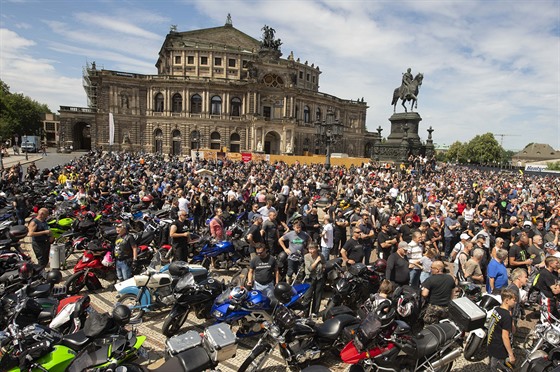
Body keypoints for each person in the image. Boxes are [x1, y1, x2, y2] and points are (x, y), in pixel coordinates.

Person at [487, 288, 517, 371]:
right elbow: (505, 336)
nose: (515, 302)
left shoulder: (496, 309)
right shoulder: (506, 316)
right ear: (507, 300)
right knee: (496, 367)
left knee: (492, 363)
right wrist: (511, 354)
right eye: (514, 300)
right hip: (499, 348)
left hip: (491, 343)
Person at [421, 260, 456, 325]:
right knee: (442, 326)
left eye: (432, 268)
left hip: (434, 307)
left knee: (429, 326)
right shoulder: (450, 278)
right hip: (446, 307)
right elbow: (452, 293)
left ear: (437, 270)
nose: (431, 269)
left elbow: (424, 294)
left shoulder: (430, 279)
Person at [535, 256, 560, 323]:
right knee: (547, 319)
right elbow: (555, 291)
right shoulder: (545, 274)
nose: (558, 264)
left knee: (556, 317)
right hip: (547, 299)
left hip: (553, 299)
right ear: (550, 264)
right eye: (556, 263)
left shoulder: (554, 273)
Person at [303, 242, 325, 317]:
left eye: (313, 249)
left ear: (316, 249)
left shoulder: (321, 255)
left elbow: (324, 264)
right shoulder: (306, 256)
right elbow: (310, 268)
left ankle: (314, 313)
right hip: (310, 278)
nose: (311, 251)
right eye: (310, 249)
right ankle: (305, 313)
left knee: (317, 296)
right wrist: (317, 261)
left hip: (319, 278)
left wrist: (322, 268)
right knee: (307, 297)